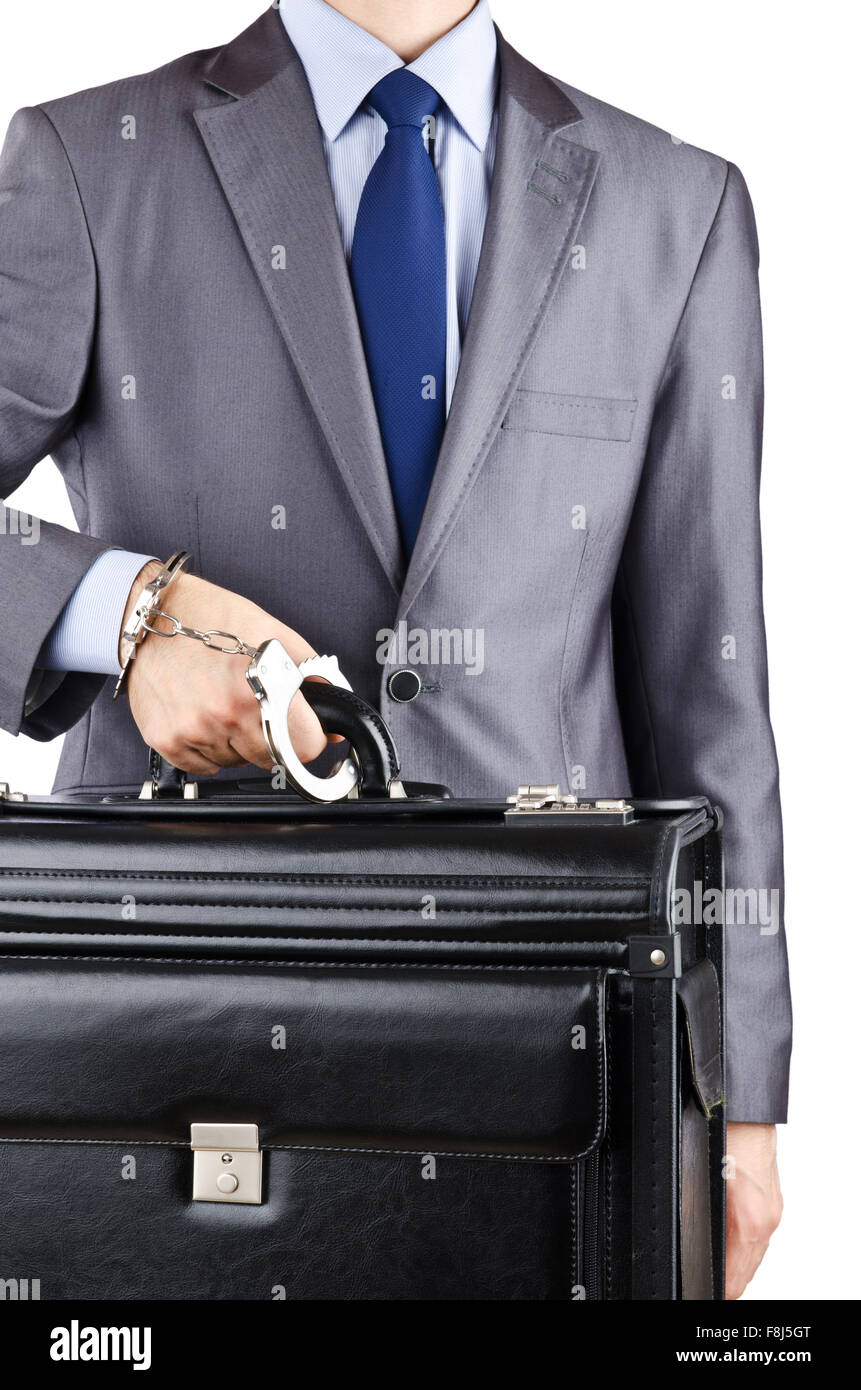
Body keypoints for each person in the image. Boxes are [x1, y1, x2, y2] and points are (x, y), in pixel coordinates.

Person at [0, 0, 787, 1296]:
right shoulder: (91, 163)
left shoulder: (674, 205)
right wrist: (120, 612)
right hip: (162, 1060)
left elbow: (710, 692)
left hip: (555, 1057)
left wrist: (735, 1094)